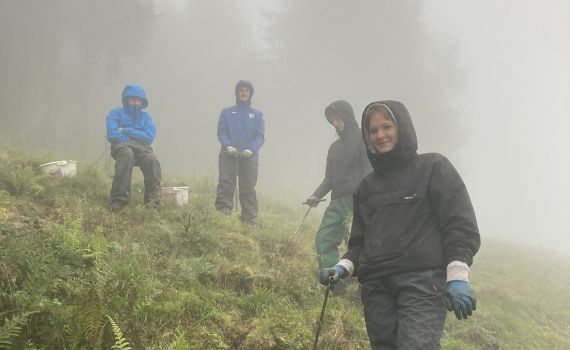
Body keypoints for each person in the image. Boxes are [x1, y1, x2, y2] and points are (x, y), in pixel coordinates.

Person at [319, 100, 480, 349]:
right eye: (373, 131)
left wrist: (458, 274)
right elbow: (359, 244)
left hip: (422, 283)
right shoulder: (366, 187)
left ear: (402, 127)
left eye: (387, 126)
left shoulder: (433, 167)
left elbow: (460, 224)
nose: (380, 135)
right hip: (376, 289)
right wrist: (341, 268)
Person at [305, 100, 371, 296]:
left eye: (338, 118)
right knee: (323, 239)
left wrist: (368, 197)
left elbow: (369, 169)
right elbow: (329, 179)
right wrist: (316, 195)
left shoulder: (363, 138)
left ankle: (366, 288)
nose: (335, 123)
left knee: (360, 244)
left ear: (347, 116)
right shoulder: (334, 148)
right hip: (337, 201)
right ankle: (335, 286)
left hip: (357, 200)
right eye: (332, 120)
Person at [215, 80, 265, 225]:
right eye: (241, 90)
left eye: (246, 91)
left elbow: (260, 136)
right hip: (228, 154)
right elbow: (221, 132)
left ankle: (249, 218)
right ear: (237, 93)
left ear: (250, 94)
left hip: (249, 157)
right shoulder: (227, 112)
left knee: (248, 186)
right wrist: (228, 145)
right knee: (226, 182)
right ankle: (223, 212)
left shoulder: (257, 115)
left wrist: (251, 149)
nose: (244, 93)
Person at [106, 84, 162, 213]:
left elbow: (149, 137)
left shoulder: (146, 117)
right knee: (127, 154)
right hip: (121, 148)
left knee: (152, 160)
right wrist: (135, 138)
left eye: (139, 100)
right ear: (126, 99)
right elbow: (112, 134)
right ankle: (119, 200)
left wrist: (126, 130)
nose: (136, 103)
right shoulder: (115, 113)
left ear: (142, 102)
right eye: (133, 99)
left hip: (143, 150)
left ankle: (153, 204)